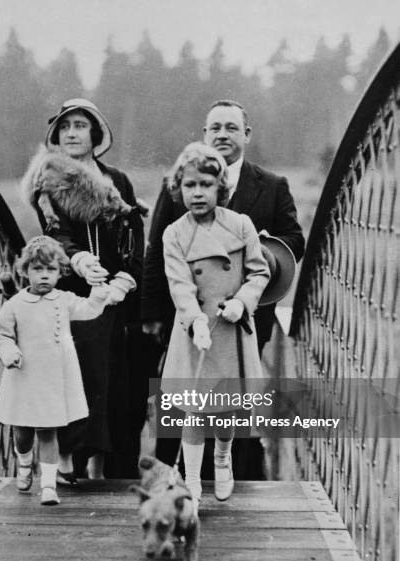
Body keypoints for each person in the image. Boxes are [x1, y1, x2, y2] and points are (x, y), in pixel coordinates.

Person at [141, 99, 305, 478]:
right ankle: (175, 482)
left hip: (243, 317)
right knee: (184, 398)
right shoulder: (179, 181)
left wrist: (265, 247)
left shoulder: (272, 186)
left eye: (231, 127)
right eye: (214, 127)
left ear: (247, 135)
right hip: (189, 316)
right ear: (204, 134)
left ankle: (239, 484)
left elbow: (295, 239)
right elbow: (156, 250)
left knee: (235, 401)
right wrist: (151, 314)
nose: (222, 134)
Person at [23, 98, 145, 480]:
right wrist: (76, 260)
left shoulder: (118, 180)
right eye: (65, 127)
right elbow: (54, 230)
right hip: (76, 294)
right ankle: (68, 463)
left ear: (95, 135)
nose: (72, 133)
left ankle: (112, 470)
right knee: (81, 375)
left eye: (80, 125)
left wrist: (126, 277)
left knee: (118, 384)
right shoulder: (50, 178)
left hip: (118, 297)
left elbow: (133, 230)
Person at [161, 143, 270, 511]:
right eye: (189, 185)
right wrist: (195, 321)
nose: (197, 192)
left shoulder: (240, 225)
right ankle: (192, 478)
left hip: (232, 328)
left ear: (220, 187)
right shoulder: (174, 234)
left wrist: (243, 301)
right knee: (194, 410)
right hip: (197, 332)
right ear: (180, 188)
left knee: (225, 410)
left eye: (205, 184)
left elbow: (260, 272)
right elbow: (180, 284)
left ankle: (222, 460)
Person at [0, 236, 114, 505]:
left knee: (48, 431)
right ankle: (24, 464)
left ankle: (48, 486)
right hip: (24, 375)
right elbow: (1, 335)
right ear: (25, 271)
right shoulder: (16, 305)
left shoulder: (64, 300)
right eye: (37, 269)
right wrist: (9, 352)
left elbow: (89, 309)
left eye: (51, 270)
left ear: (60, 272)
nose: (44, 276)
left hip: (53, 380)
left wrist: (99, 292)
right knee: (23, 432)